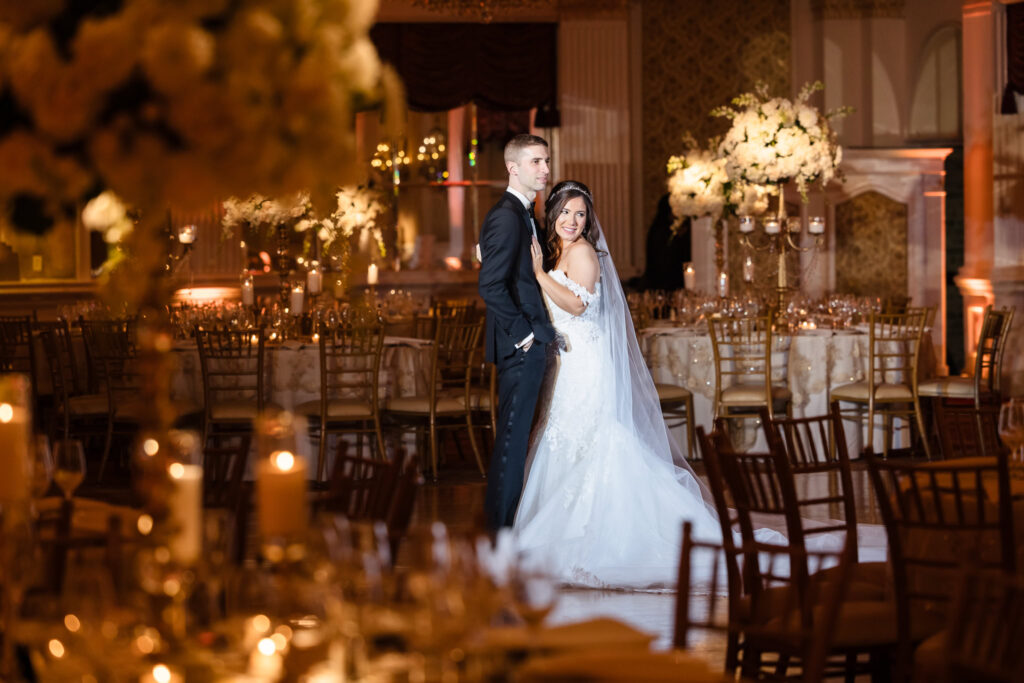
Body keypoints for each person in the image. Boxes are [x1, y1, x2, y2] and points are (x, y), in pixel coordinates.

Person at [513, 180, 721, 589]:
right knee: (568, 442)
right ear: (552, 213)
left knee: (598, 442)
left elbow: (578, 303)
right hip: (570, 366)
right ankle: (569, 534)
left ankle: (608, 540)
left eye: (581, 214)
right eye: (566, 212)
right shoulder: (561, 251)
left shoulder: (585, 253)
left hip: (590, 366)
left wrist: (538, 274)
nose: (572, 221)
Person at [478, 134, 557, 531]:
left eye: (546, 161)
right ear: (513, 168)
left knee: (517, 438)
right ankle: (500, 535)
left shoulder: (521, 213)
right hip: (521, 346)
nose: (545, 169)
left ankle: (501, 530)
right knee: (512, 441)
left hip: (527, 342)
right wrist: (525, 335)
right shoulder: (507, 216)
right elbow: (490, 286)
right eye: (536, 162)